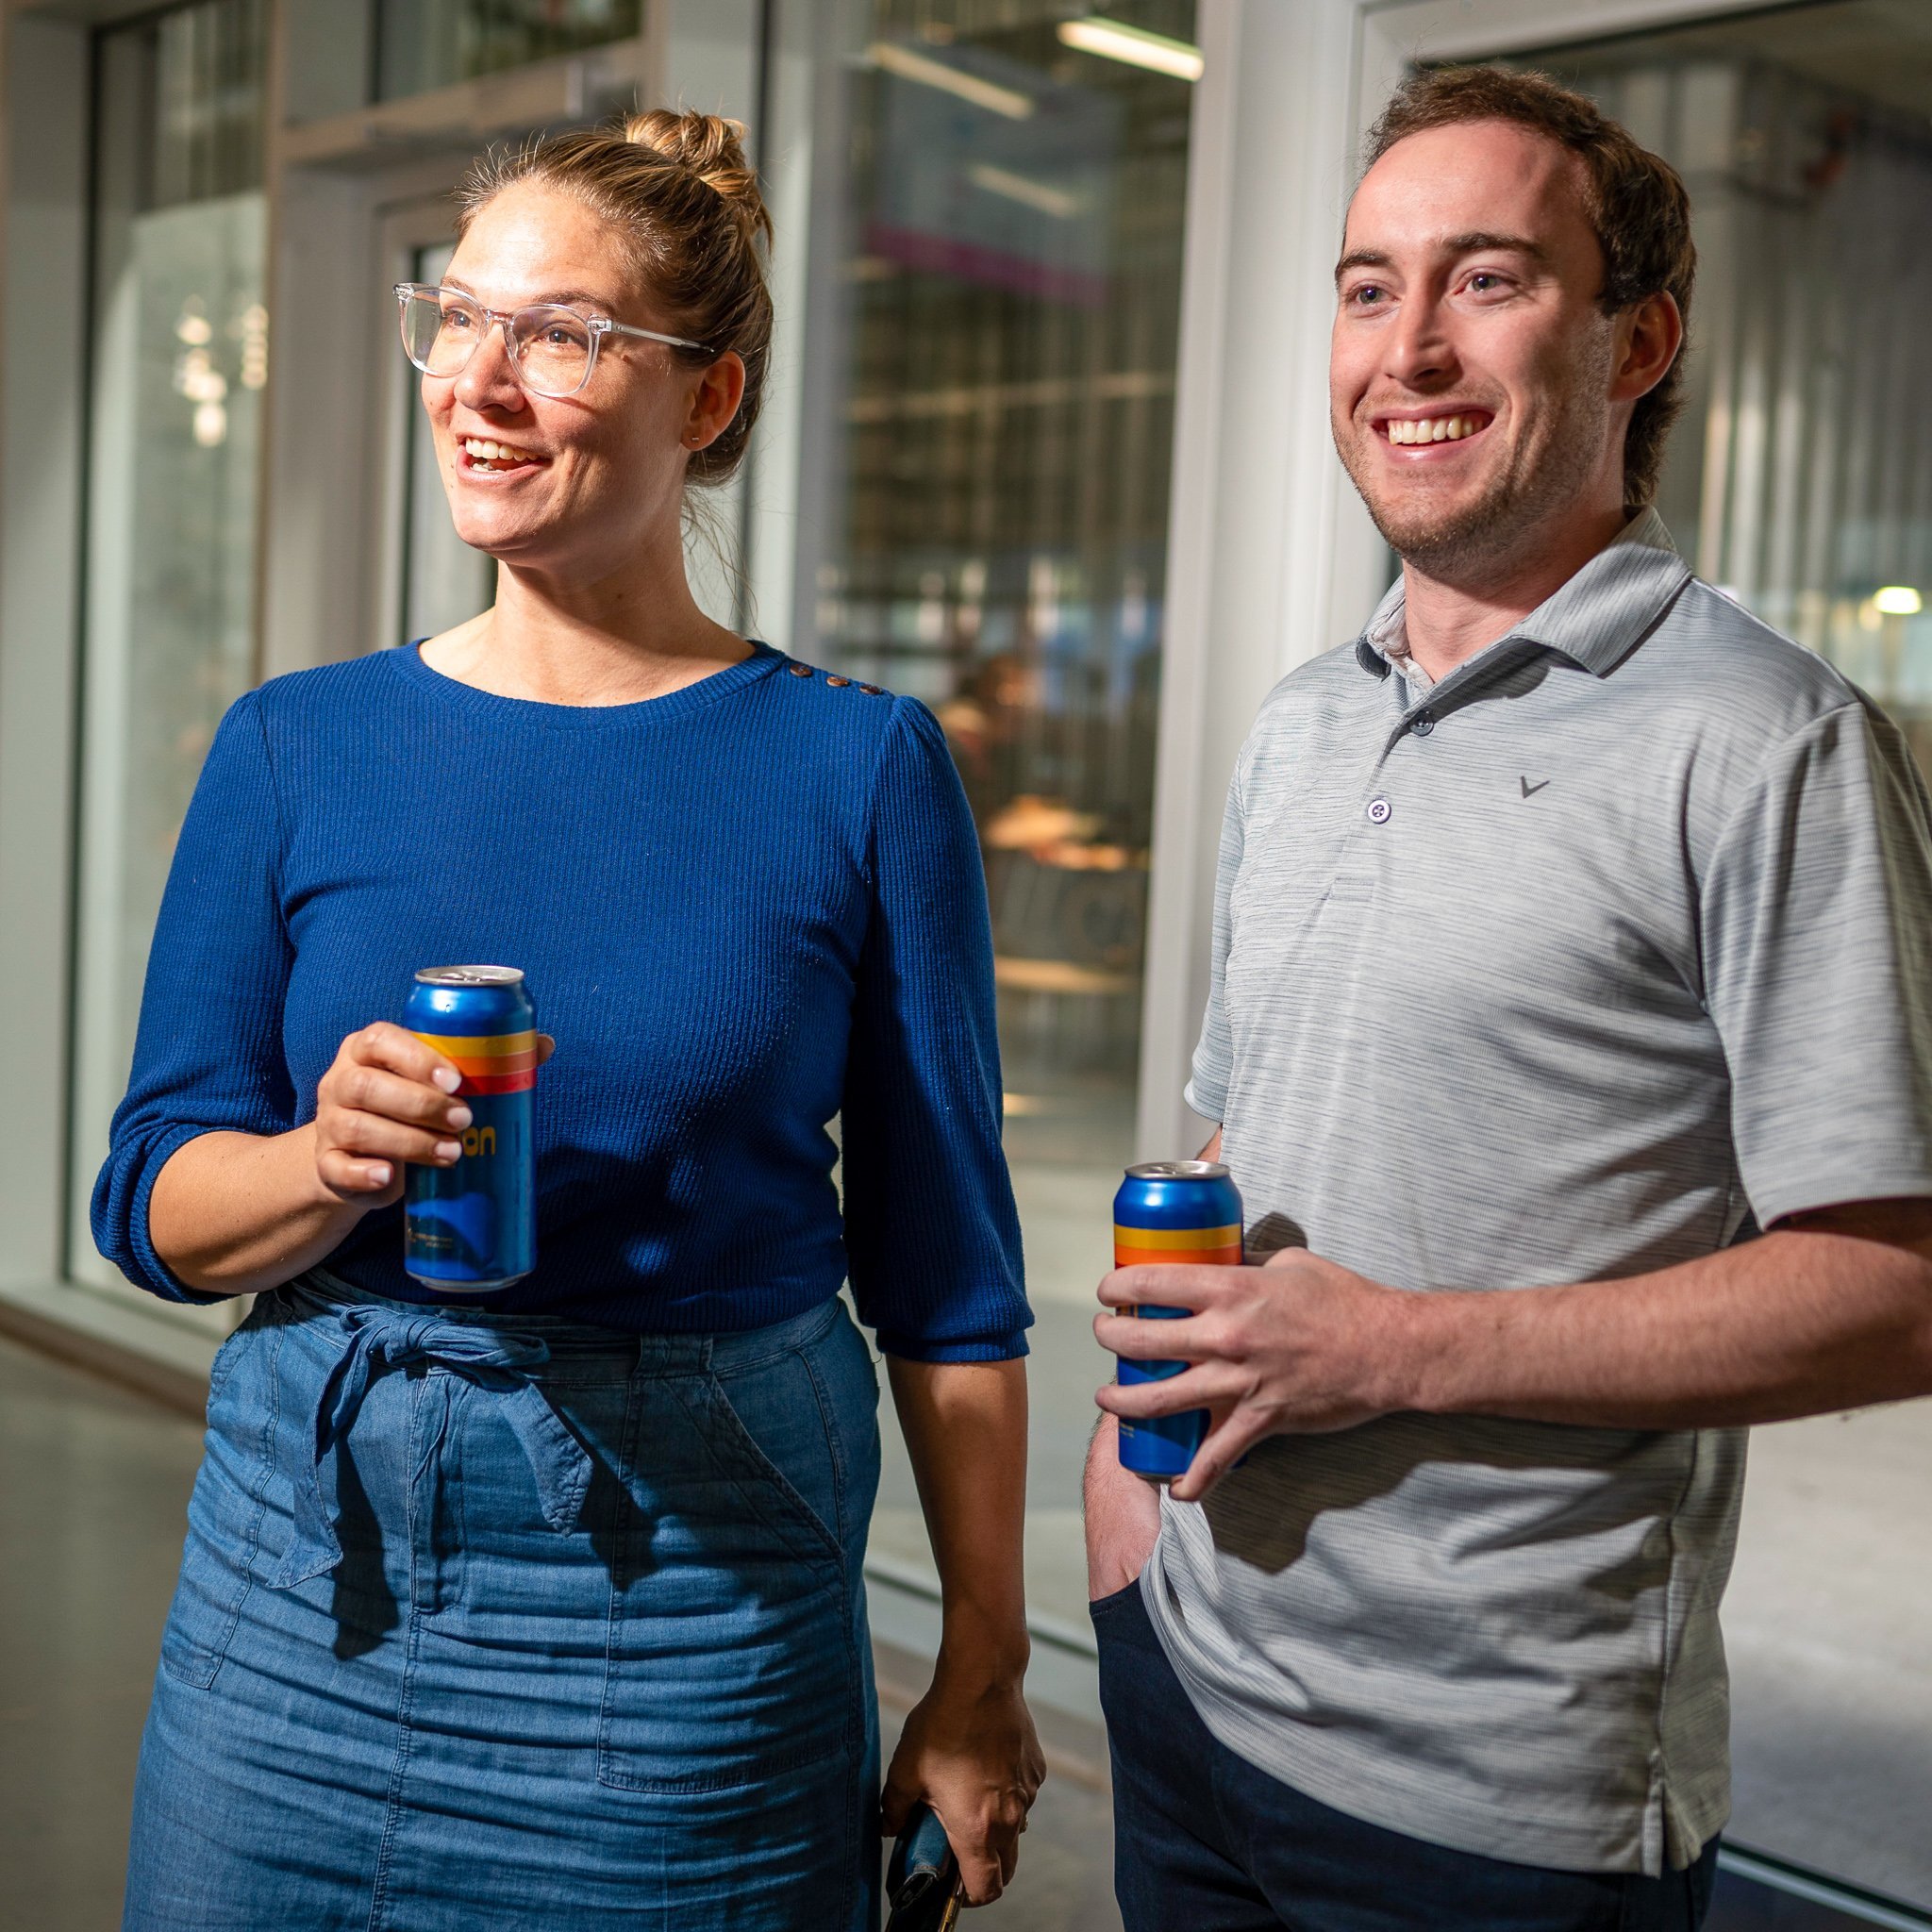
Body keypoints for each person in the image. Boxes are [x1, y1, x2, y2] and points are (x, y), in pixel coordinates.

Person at [97, 110, 1042, 1932]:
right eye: (459, 318)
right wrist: (319, 1164)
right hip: (303, 1597)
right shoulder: (296, 746)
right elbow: (148, 1200)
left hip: (692, 1621)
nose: (485, 379)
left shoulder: (855, 769)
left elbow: (952, 1281)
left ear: (708, 395)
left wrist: (983, 1668)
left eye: (563, 334)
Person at [1084, 65, 1932, 1932]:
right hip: (1189, 1680)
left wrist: (1389, 1349)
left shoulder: (1768, 741)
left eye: (1486, 279)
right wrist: (1119, 1506)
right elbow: (1248, 1136)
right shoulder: (1307, 717)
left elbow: (1896, 1291)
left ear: (1638, 341)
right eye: (1369, 285)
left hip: (1495, 1799)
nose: (1410, 346)